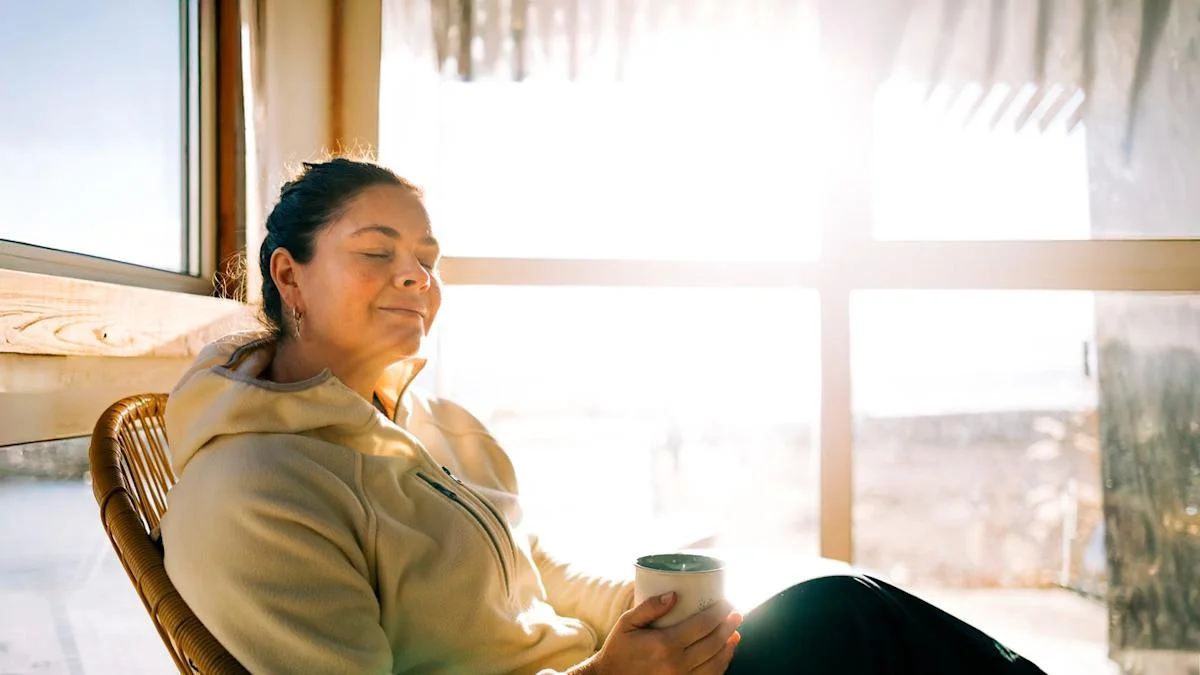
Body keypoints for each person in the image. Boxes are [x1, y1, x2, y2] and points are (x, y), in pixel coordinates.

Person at [160, 157, 1048, 674]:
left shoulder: (433, 422)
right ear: (289, 275)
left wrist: (662, 611)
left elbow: (532, 567)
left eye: (427, 257)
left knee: (817, 598)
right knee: (839, 618)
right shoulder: (255, 489)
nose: (415, 276)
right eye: (377, 251)